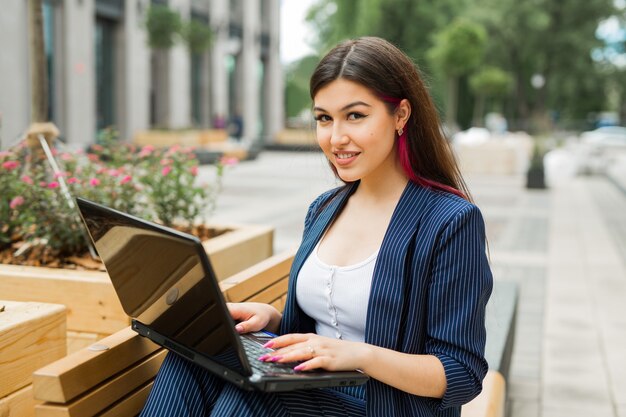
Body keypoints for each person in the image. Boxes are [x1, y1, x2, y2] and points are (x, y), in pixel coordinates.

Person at [140, 36, 492, 417]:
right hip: (316, 390)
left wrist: (358, 355)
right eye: (324, 118)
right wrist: (273, 319)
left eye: (355, 116)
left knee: (249, 400)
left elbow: (461, 374)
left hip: (386, 405)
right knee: (191, 355)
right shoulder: (324, 209)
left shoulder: (450, 222)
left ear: (401, 115)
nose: (335, 137)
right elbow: (323, 322)